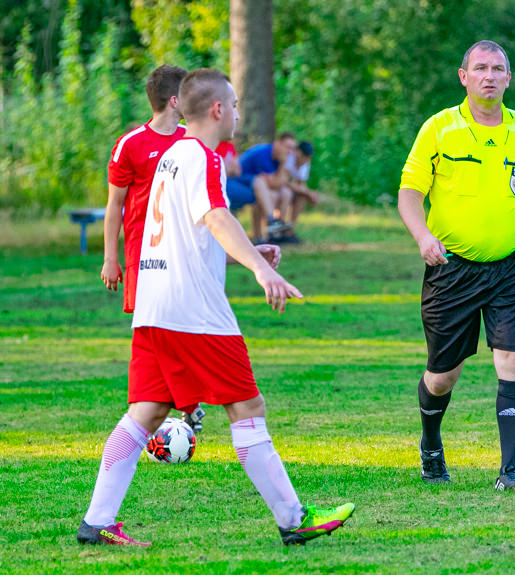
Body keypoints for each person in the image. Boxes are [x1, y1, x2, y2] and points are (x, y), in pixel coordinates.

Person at [77, 68, 355, 547]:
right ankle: (294, 518)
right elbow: (215, 217)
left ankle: (97, 521)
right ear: (218, 110)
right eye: (237, 105)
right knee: (248, 407)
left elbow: (198, 232)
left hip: (153, 306)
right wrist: (261, 270)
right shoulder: (203, 158)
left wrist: (250, 249)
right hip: (194, 312)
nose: (240, 115)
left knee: (145, 412)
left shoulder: (169, 157)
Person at [398, 40, 515, 491]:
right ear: (463, 76)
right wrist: (423, 237)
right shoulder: (439, 129)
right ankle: (430, 443)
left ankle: (510, 470)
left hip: (511, 267)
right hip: (452, 269)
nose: (489, 75)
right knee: (444, 374)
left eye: (498, 68)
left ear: (509, 78)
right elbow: (409, 192)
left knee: (514, 362)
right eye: (480, 68)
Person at [100, 64, 206, 433]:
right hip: (142, 259)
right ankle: (179, 405)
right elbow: (115, 205)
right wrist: (111, 258)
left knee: (179, 327)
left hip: (183, 255)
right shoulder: (131, 144)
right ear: (174, 100)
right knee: (150, 332)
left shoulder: (189, 143)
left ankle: (179, 405)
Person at [225, 132, 296, 242]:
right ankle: (268, 230)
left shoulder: (278, 158)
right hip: (237, 181)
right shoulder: (263, 154)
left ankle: (277, 232)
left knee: (286, 192)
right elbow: (273, 184)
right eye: (288, 147)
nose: (290, 152)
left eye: (292, 149)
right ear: (277, 144)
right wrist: (283, 164)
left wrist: (283, 164)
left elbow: (279, 183)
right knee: (267, 193)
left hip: (252, 184)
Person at [277, 140, 319, 244]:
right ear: (298, 153)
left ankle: (289, 231)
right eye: (304, 157)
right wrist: (307, 192)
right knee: (286, 193)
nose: (306, 160)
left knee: (301, 197)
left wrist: (308, 194)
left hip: (290, 189)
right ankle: (278, 229)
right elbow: (283, 180)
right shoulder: (289, 159)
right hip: (278, 187)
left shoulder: (305, 164)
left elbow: (301, 184)